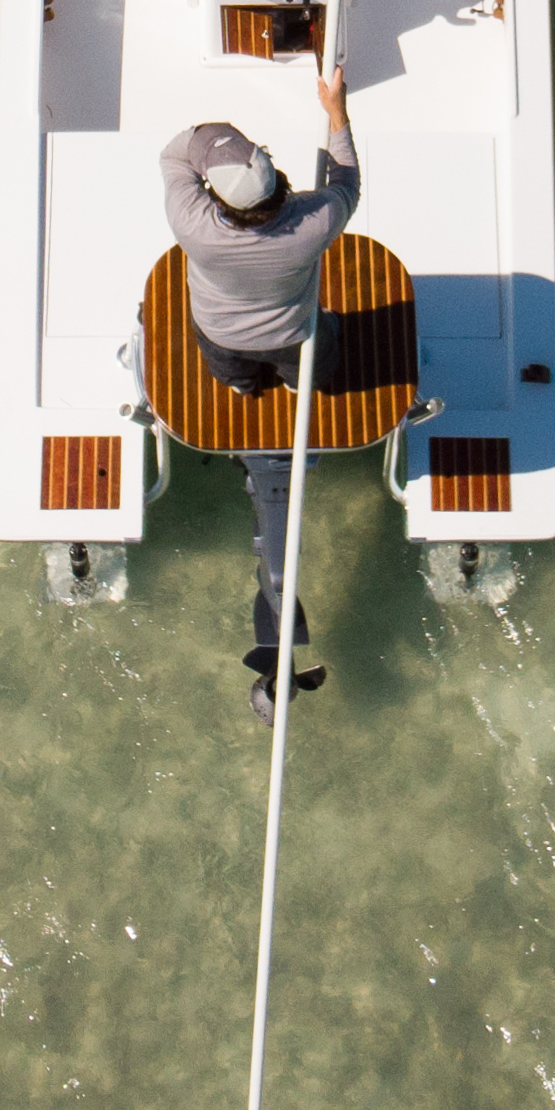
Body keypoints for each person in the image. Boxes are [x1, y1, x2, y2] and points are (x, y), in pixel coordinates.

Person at [161, 71, 360, 721]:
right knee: (318, 361)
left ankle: (249, 397)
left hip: (222, 340)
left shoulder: (194, 224)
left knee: (238, 380)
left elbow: (178, 149)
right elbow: (347, 183)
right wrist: (336, 112)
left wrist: (228, 151)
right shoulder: (313, 223)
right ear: (278, 189)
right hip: (294, 341)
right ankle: (301, 390)